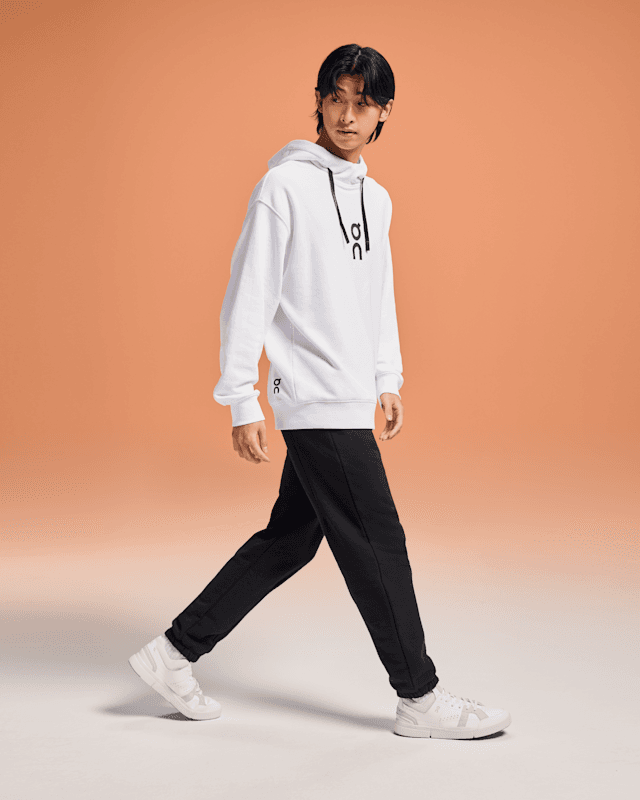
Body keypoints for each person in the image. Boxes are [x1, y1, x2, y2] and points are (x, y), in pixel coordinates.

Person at [129, 44, 512, 739]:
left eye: (363, 103)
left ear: (384, 113)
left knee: (290, 540)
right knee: (377, 540)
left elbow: (378, 294)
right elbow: (248, 295)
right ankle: (420, 699)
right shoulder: (283, 187)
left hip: (349, 392)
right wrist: (241, 397)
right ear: (318, 100)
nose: (346, 114)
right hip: (310, 393)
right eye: (336, 97)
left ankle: (172, 653)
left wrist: (386, 378)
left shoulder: (376, 197)